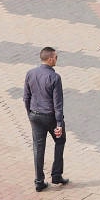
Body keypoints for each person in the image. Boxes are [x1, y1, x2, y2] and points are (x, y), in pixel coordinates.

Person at [23, 47, 66, 192]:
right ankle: (56, 175)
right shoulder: (55, 77)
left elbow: (26, 97)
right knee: (60, 141)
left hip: (35, 115)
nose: (56, 59)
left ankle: (39, 181)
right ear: (49, 59)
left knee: (38, 148)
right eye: (55, 57)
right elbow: (58, 103)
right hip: (50, 117)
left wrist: (30, 114)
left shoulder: (30, 73)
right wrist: (59, 124)